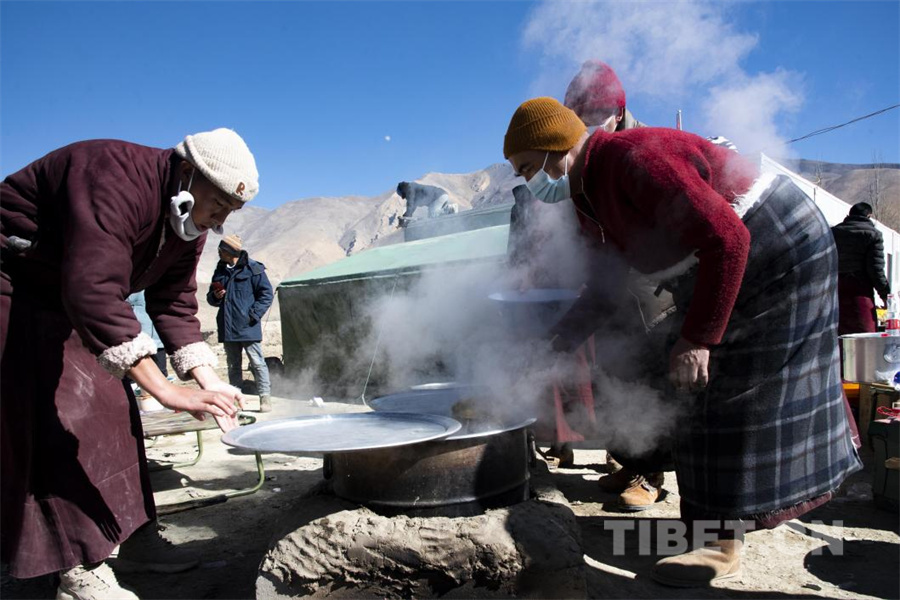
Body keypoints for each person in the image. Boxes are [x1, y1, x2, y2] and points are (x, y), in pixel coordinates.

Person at [503, 98, 861, 587]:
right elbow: (604, 290)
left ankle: (721, 545)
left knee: (725, 387)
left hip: (778, 246)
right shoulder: (588, 197)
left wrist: (698, 339)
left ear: (556, 146)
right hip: (726, 258)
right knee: (680, 383)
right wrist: (552, 347)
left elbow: (729, 240)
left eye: (528, 167)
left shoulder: (635, 158)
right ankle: (706, 526)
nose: (529, 182)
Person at [1, 127, 258, 598]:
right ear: (187, 172)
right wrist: (166, 391)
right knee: (59, 416)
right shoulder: (112, 176)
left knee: (116, 412)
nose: (220, 221)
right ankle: (77, 567)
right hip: (15, 286)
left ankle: (137, 537)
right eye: (219, 205)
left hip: (74, 297)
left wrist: (208, 381)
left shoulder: (187, 222)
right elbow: (94, 290)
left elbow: (174, 302)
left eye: (231, 212)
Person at [565, 59, 674, 510]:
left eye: (595, 116)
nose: (588, 126)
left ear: (619, 110)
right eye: (580, 119)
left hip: (653, 286)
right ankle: (630, 462)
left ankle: (653, 475)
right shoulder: (586, 157)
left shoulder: (643, 149)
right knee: (612, 373)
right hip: (611, 284)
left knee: (647, 376)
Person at [207, 234, 274, 412]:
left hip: (247, 326)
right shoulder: (220, 270)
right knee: (233, 365)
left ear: (230, 251)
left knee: (257, 362)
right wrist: (216, 296)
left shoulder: (253, 269)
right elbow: (210, 299)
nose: (219, 252)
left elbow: (266, 295)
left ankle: (265, 398)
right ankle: (236, 399)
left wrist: (253, 315)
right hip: (227, 326)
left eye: (221, 250)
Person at [831, 202, 892, 334]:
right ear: (869, 216)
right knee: (864, 334)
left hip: (836, 291)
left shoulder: (833, 232)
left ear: (849, 215)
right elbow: (875, 269)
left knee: (838, 335)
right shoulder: (873, 235)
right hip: (860, 291)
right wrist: (884, 294)